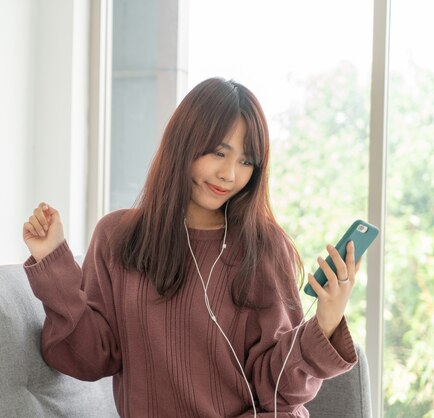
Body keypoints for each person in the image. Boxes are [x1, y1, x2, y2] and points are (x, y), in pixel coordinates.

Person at [22, 78, 358, 417]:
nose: (229, 174)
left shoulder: (264, 246)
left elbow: (279, 393)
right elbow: (90, 357)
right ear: (184, 143)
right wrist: (52, 262)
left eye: (246, 161)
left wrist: (325, 325)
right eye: (219, 153)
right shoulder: (119, 237)